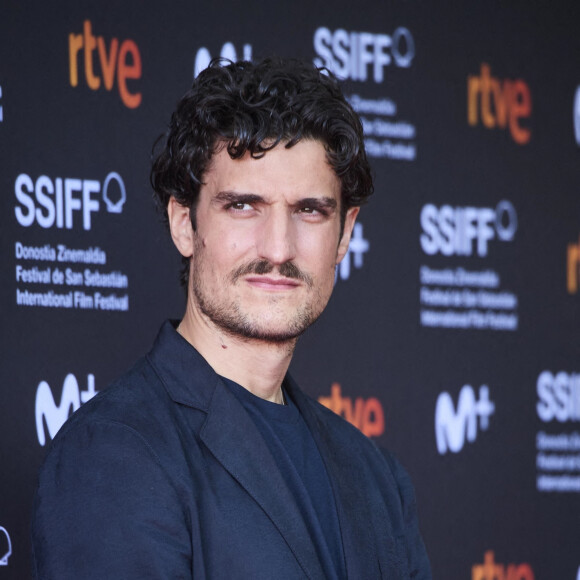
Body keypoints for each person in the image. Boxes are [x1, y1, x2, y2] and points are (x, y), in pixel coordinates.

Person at [32, 57, 431, 579]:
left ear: (346, 234)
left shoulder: (375, 476)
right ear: (184, 221)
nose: (279, 247)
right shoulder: (113, 454)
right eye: (244, 206)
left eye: (310, 210)